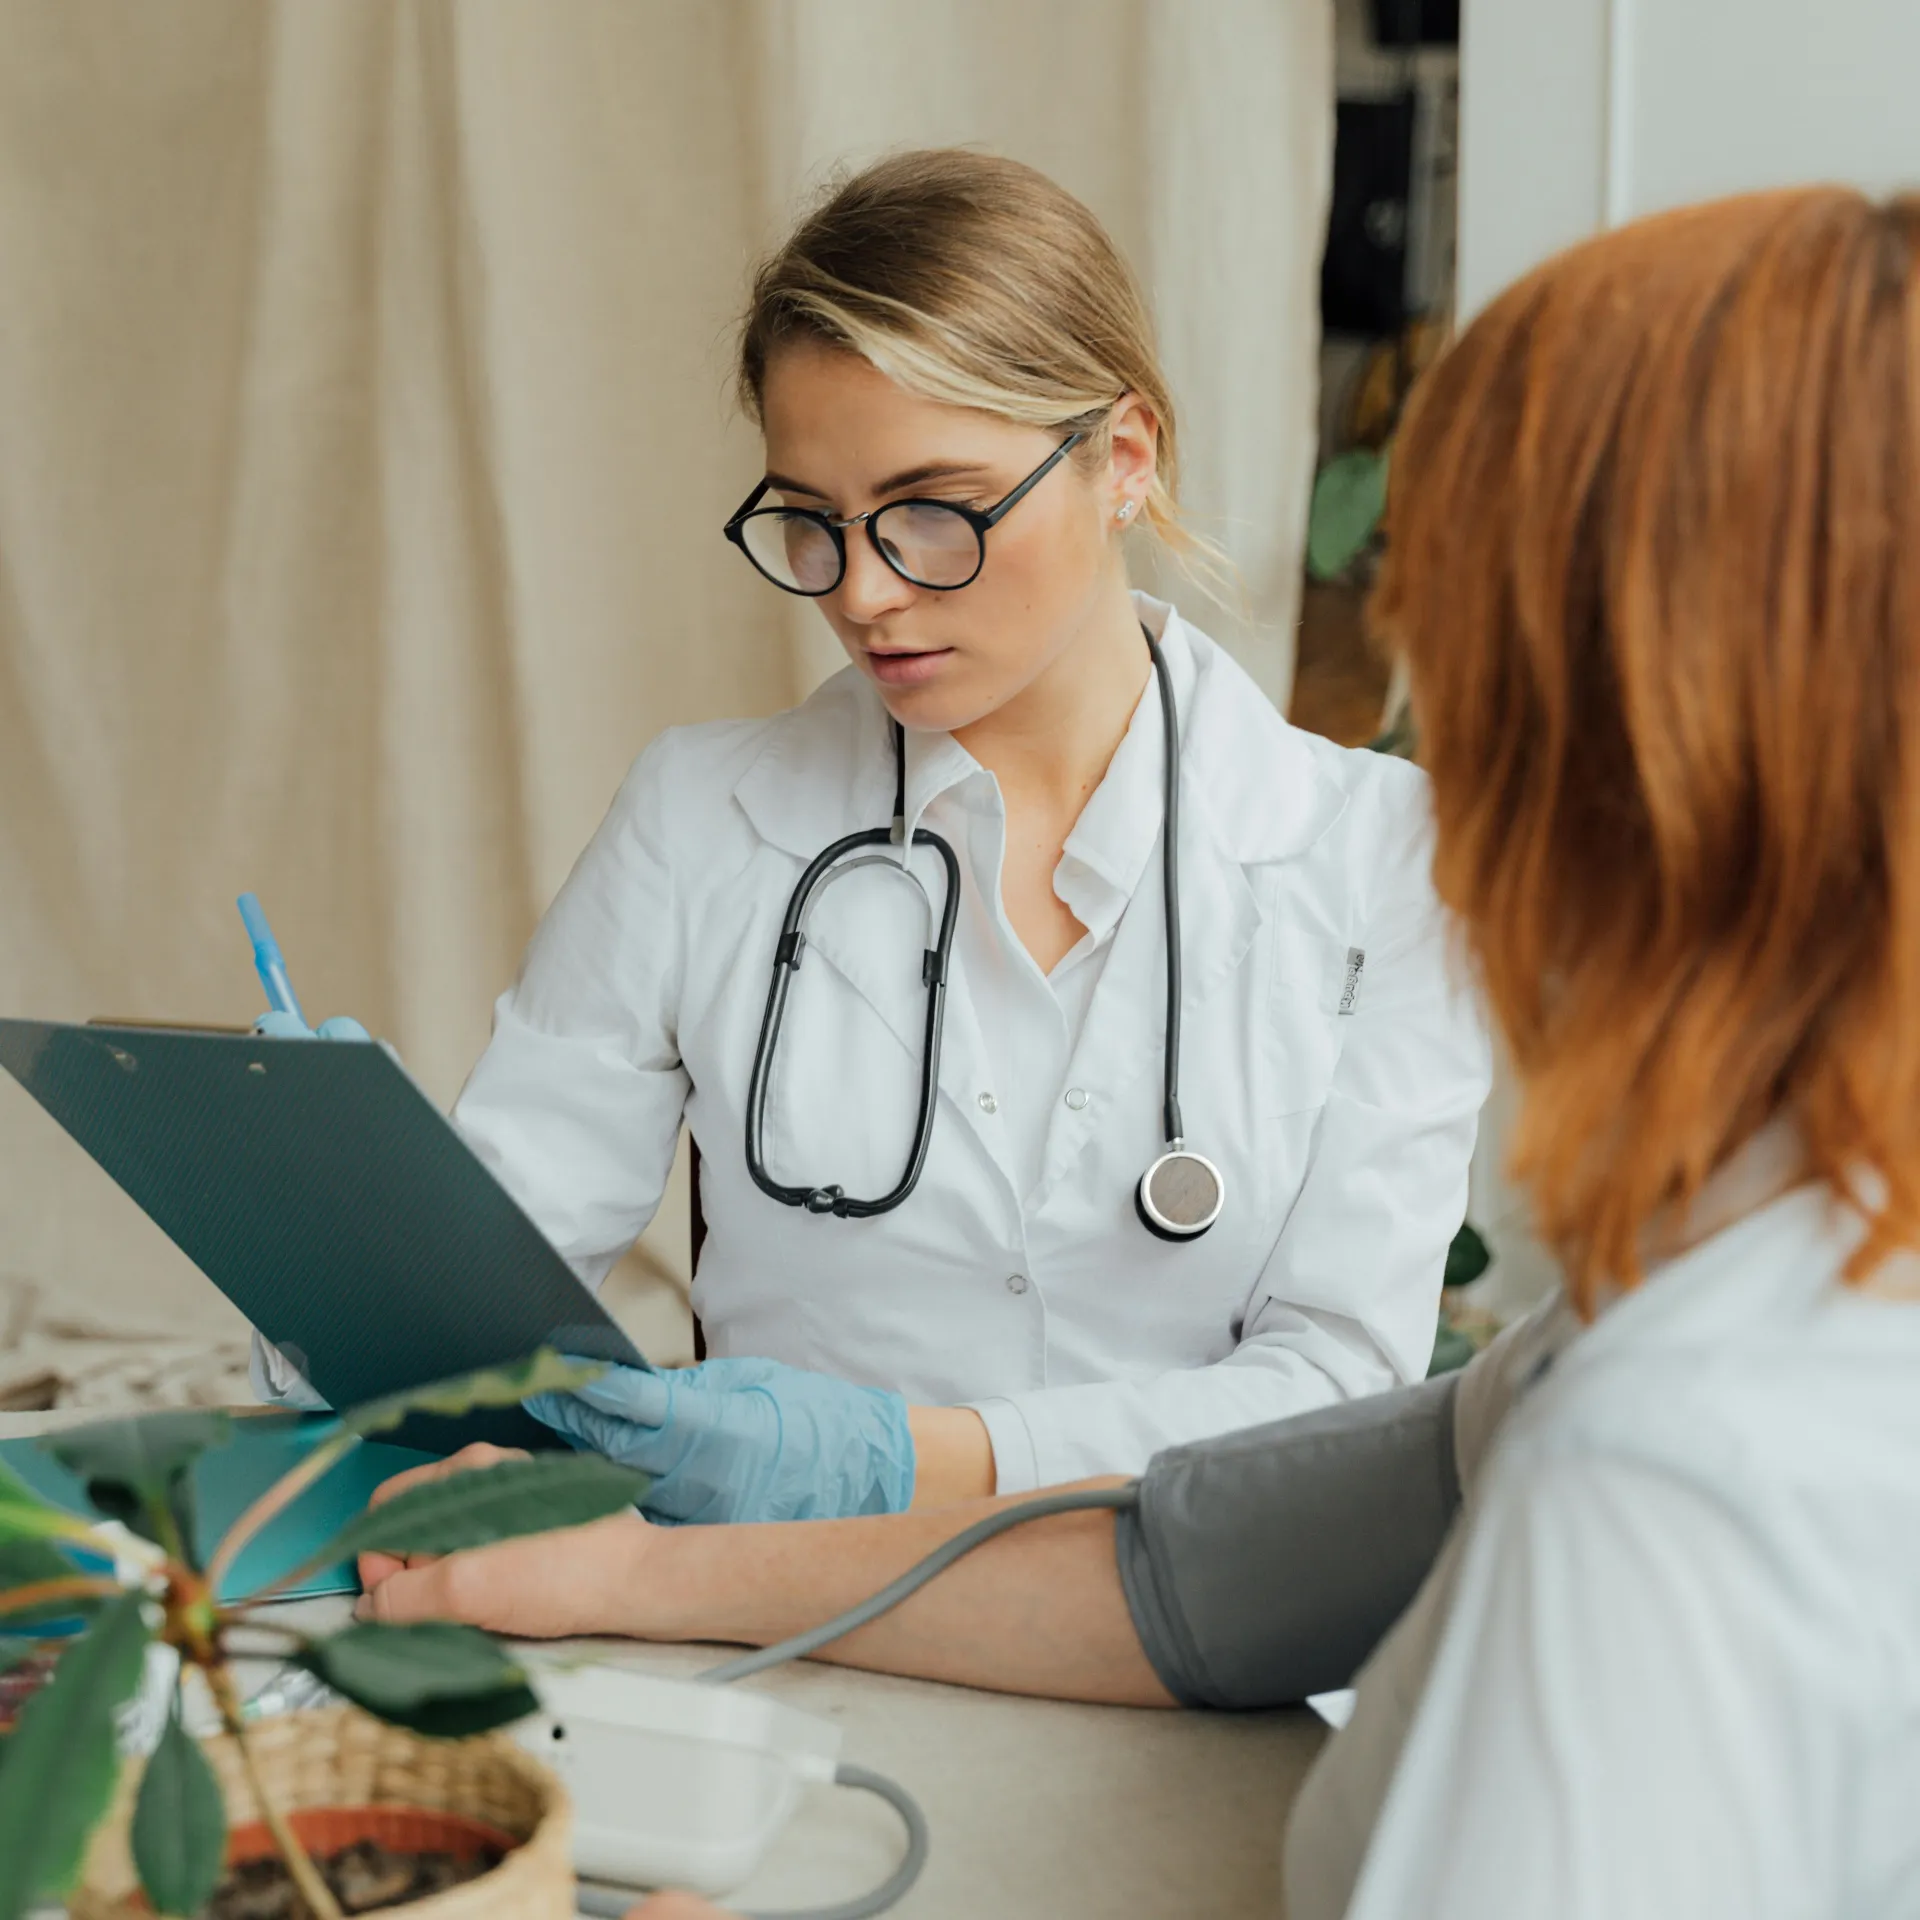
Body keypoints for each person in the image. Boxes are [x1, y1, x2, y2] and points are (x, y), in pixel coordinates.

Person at [359, 186, 1920, 1919]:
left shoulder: (1667, 1456)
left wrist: (888, 1455)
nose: (866, 591)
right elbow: (1218, 1565)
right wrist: (635, 1563)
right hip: (784, 1673)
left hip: (1149, 1753)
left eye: (1476, 678)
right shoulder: (1656, 1337)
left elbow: (1317, 1434)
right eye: (814, 523)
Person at [258, 147, 1489, 1521]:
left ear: (1123, 460)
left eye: (932, 512)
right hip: (775, 1631)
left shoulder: (1381, 855)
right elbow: (463, 1336)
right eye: (812, 523)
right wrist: (343, 1235)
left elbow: (1339, 1388)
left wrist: (916, 1462)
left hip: (1184, 1643)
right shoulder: (699, 821)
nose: (863, 590)